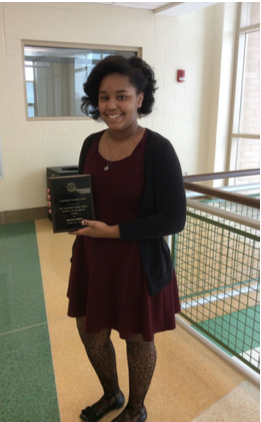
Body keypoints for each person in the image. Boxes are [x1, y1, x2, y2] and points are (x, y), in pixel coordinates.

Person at [46, 55, 186, 422]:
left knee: (138, 340)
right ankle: (112, 394)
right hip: (93, 259)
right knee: (90, 332)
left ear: (140, 98)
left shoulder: (158, 150)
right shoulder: (91, 143)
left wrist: (115, 231)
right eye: (103, 96)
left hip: (136, 264)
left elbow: (174, 218)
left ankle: (136, 408)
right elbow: (84, 195)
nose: (110, 105)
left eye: (121, 96)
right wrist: (59, 206)